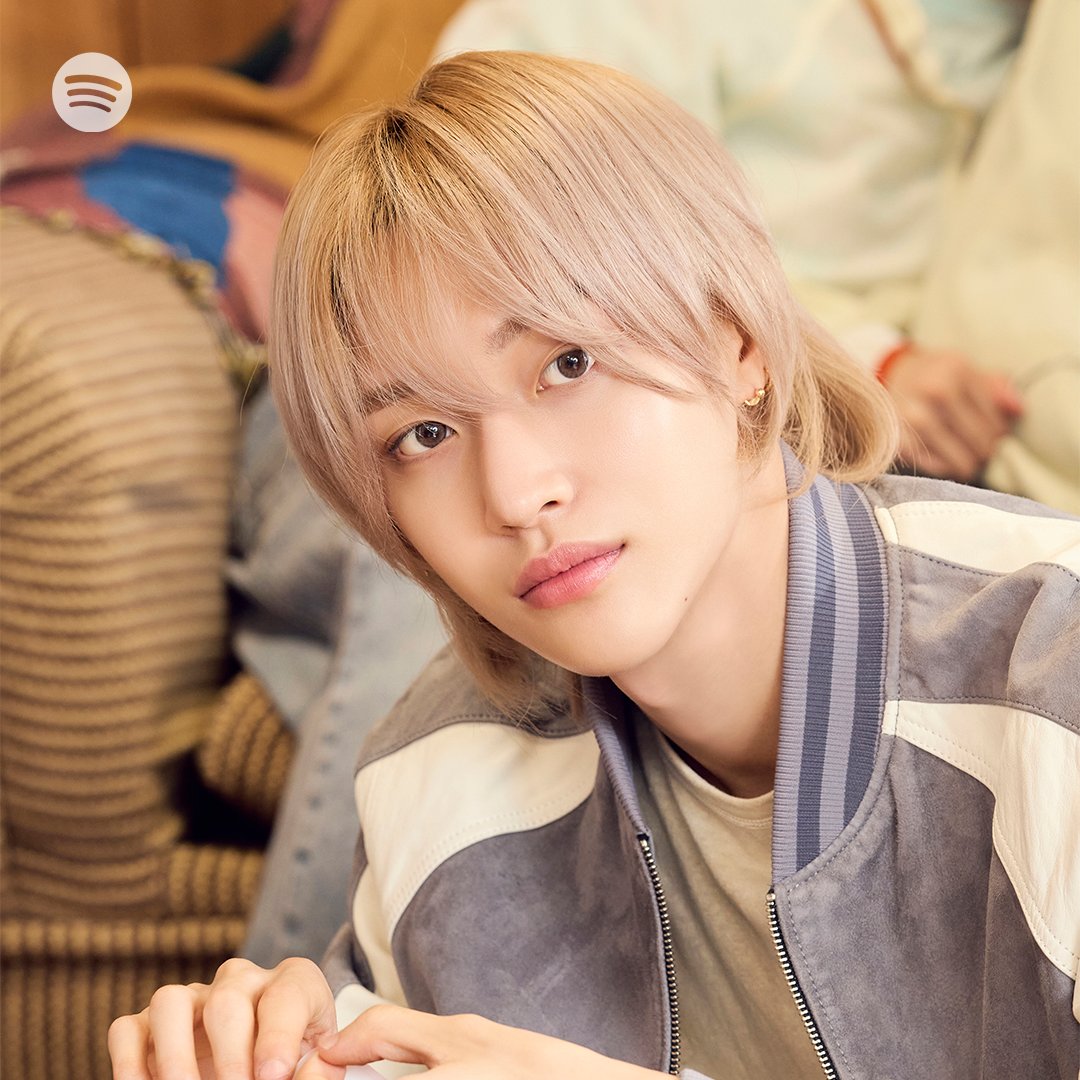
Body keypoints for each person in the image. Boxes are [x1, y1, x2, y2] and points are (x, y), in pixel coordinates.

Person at [108, 51, 1080, 1080]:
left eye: (567, 364)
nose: (515, 494)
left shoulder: (1052, 670)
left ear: (740, 339)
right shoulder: (433, 779)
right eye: (424, 435)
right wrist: (288, 1049)